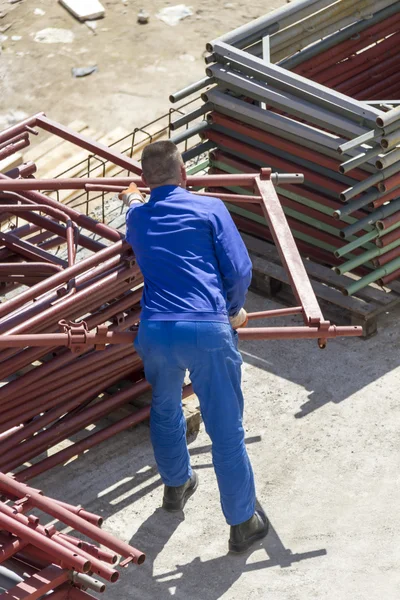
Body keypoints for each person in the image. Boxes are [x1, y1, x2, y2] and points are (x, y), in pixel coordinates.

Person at [122, 141, 268, 553]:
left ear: (148, 182)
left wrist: (132, 198)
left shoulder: (138, 217)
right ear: (184, 174)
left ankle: (176, 486)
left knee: (166, 408)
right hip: (205, 330)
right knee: (225, 428)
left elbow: (131, 209)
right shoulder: (209, 208)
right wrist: (232, 309)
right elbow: (239, 269)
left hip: (156, 333)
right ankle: (242, 523)